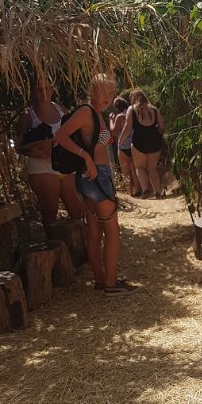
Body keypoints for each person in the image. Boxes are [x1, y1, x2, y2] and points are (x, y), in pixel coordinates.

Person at [53, 74, 137, 294]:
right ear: (92, 90)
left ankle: (101, 280)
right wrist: (85, 156)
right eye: (103, 91)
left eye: (111, 92)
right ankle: (111, 283)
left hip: (91, 176)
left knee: (95, 230)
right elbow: (60, 136)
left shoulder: (96, 113)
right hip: (96, 176)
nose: (108, 96)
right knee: (112, 230)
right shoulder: (86, 112)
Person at [15, 77, 84, 227]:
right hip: (42, 168)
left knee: (77, 211)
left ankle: (79, 242)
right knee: (50, 213)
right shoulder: (28, 115)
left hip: (65, 166)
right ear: (33, 91)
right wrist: (33, 153)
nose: (43, 92)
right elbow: (18, 145)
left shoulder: (61, 109)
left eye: (46, 88)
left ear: (52, 89)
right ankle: (53, 241)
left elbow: (74, 134)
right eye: (39, 89)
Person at [119, 89, 165, 199]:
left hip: (139, 142)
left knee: (139, 167)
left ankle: (145, 190)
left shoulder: (132, 109)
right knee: (152, 168)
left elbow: (127, 127)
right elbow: (162, 126)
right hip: (155, 141)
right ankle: (157, 192)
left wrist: (121, 140)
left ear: (133, 99)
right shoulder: (154, 109)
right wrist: (157, 136)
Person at [109, 97, 138, 195]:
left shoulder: (120, 117)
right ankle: (138, 191)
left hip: (123, 146)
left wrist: (111, 120)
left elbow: (113, 131)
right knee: (135, 170)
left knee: (126, 172)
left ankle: (130, 193)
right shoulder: (133, 114)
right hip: (134, 145)